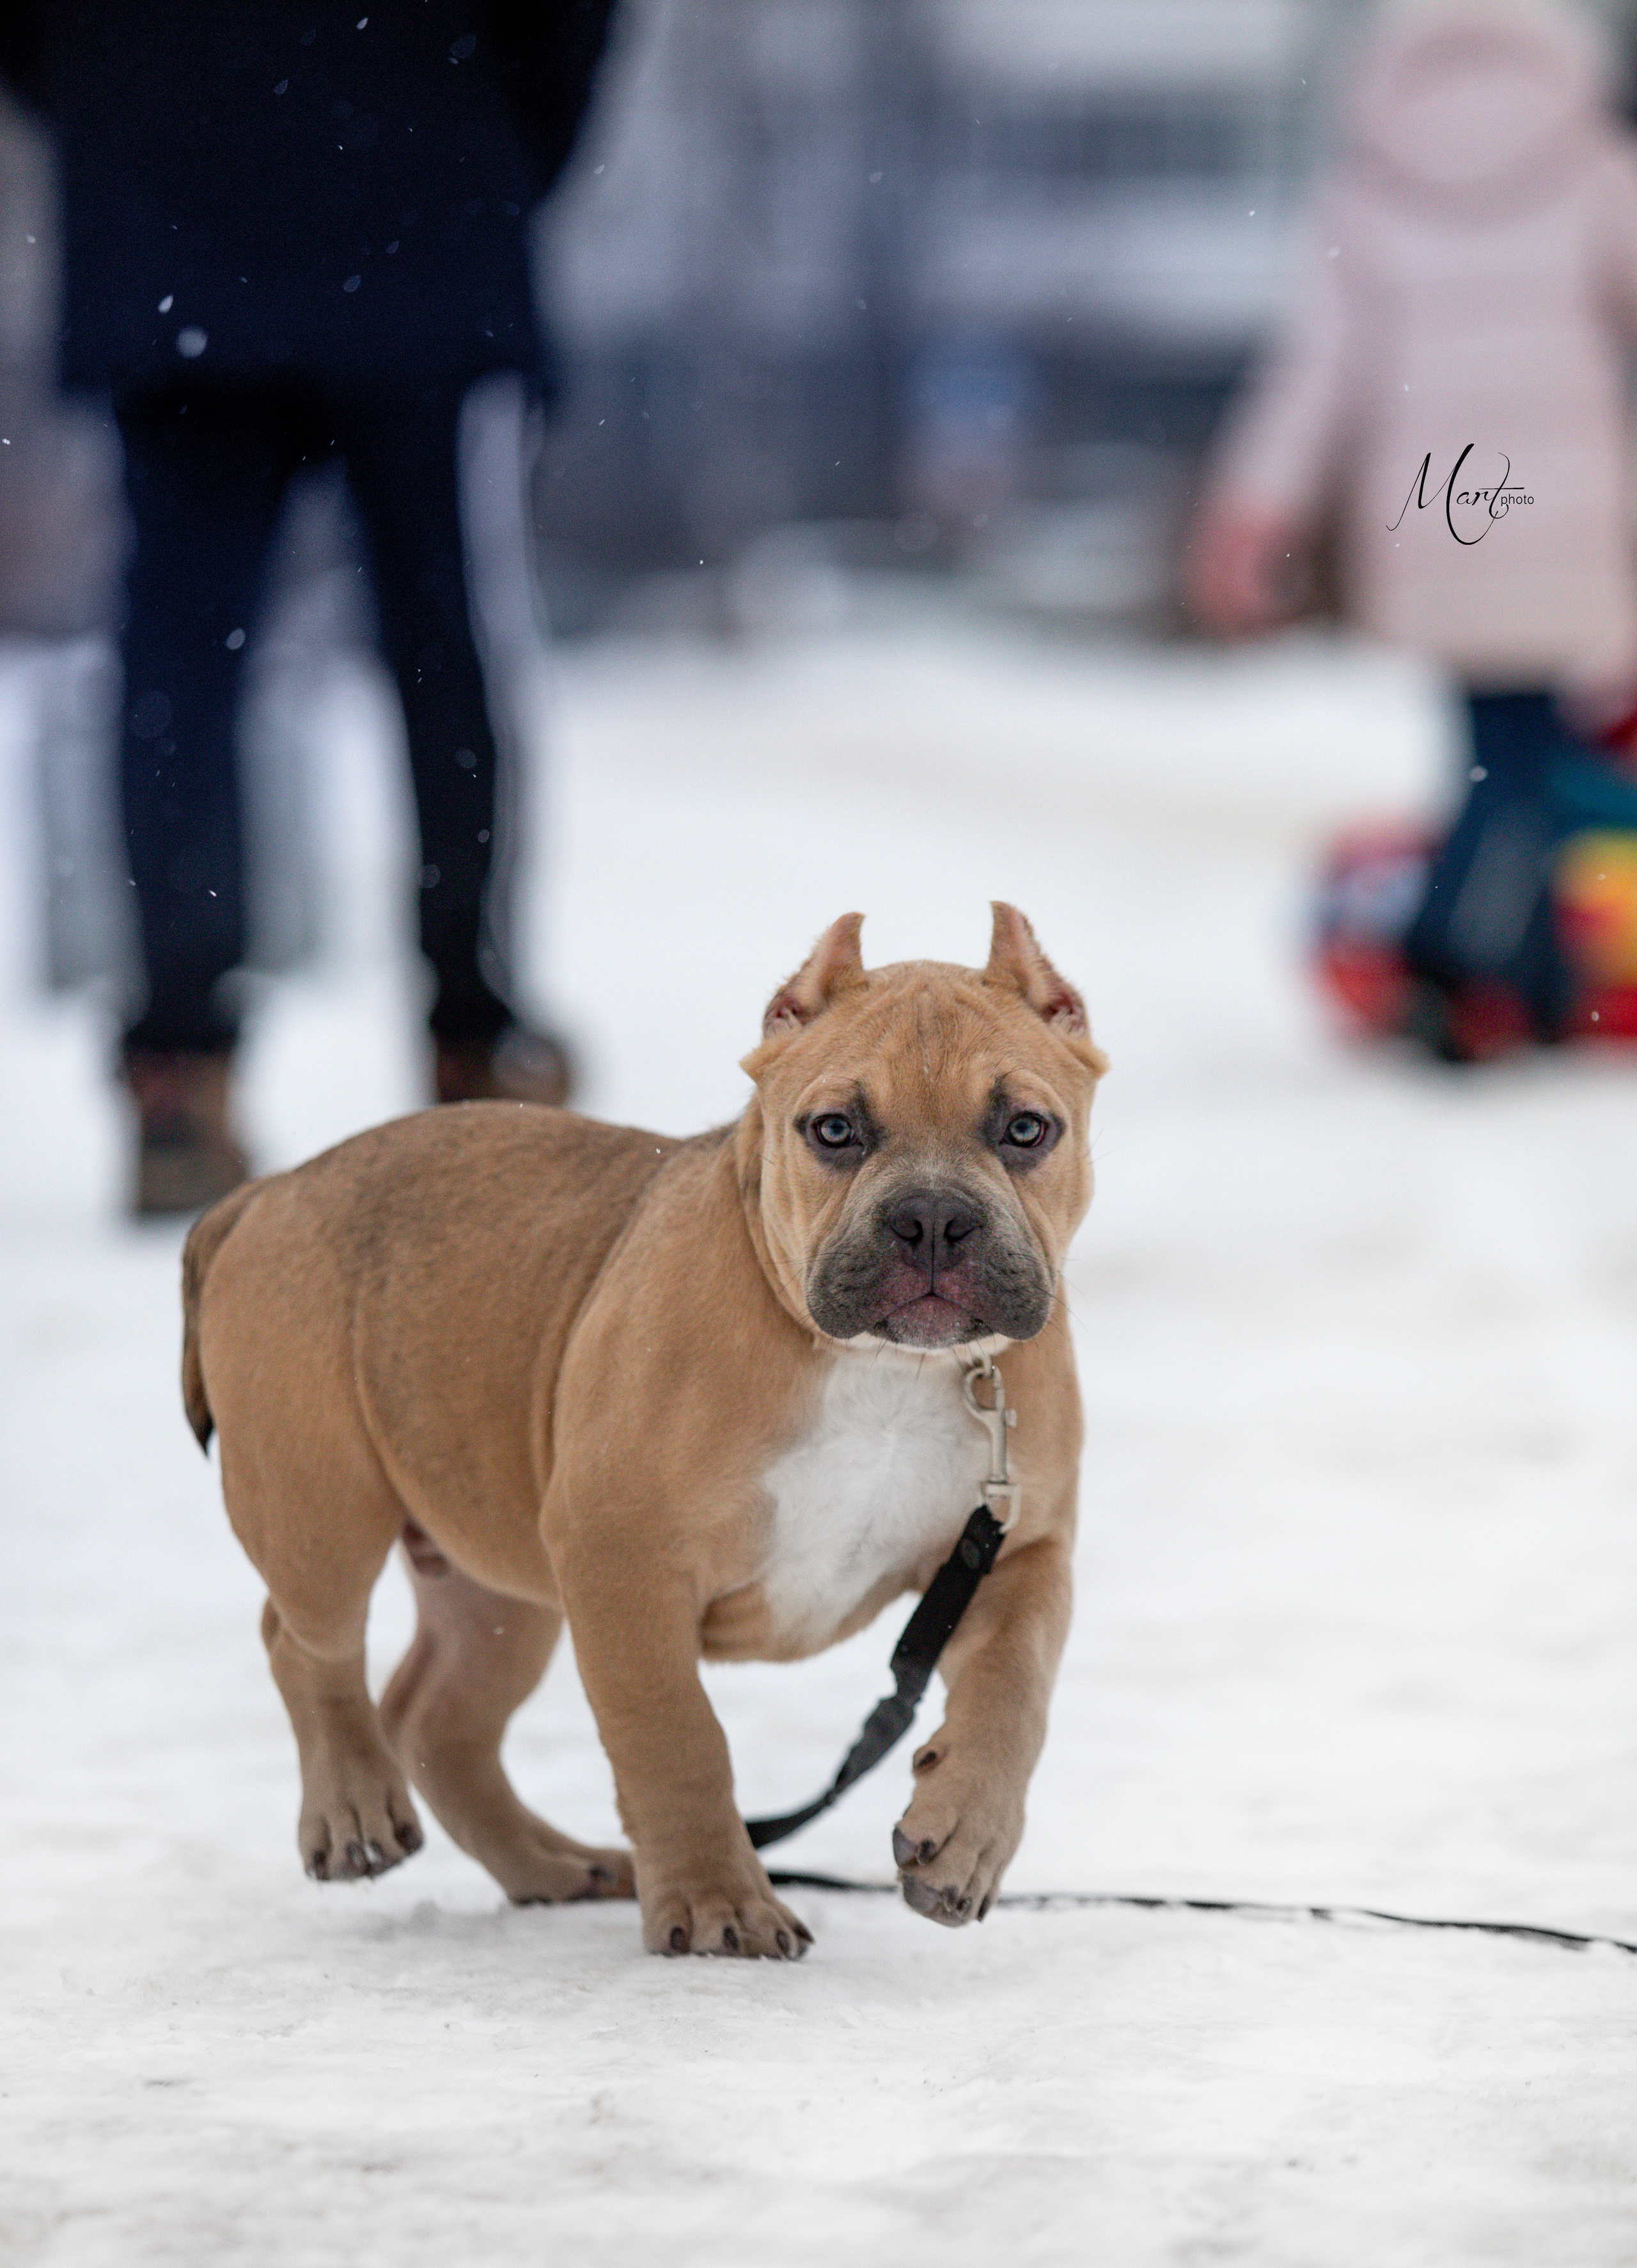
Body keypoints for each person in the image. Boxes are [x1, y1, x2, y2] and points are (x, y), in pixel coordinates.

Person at [0, 1, 615, 1208]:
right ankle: (476, 1042)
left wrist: (126, 105)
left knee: (178, 657)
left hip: (171, 213)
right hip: (423, 202)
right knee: (451, 645)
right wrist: (485, 133)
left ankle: (179, 1072)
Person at [1187, 0, 1637, 1061]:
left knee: (1498, 746)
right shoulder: (1595, 166)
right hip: (1565, 512)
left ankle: (1523, 980)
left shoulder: (1370, 183)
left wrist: (1251, 510)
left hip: (1443, 510)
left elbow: (1317, 371)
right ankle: (1457, 960)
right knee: (1523, 756)